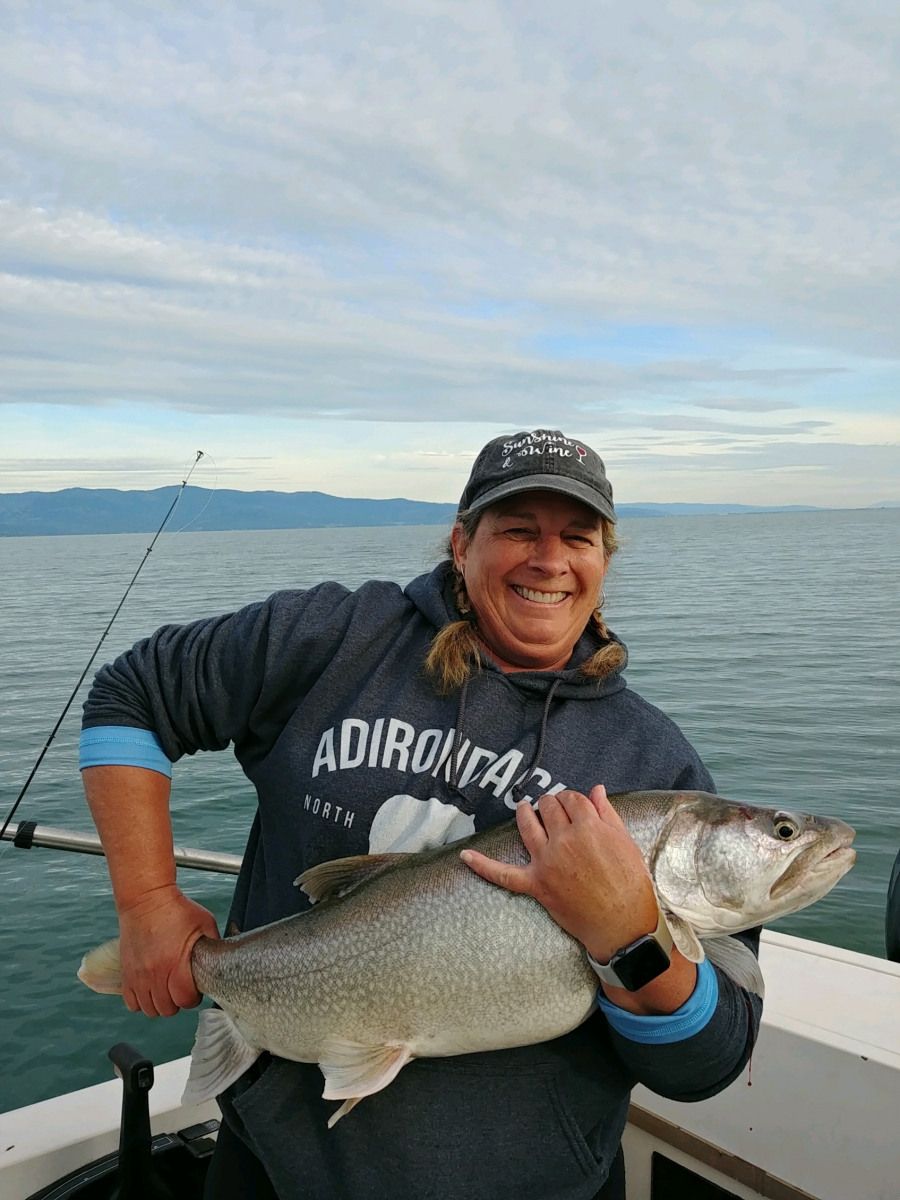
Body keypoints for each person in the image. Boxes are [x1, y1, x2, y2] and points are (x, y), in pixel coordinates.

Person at [80, 427, 762, 1200]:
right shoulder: (336, 640)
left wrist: (632, 938)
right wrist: (147, 901)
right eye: (518, 530)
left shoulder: (653, 768)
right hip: (273, 1169)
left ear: (604, 559)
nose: (549, 559)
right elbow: (132, 694)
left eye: (578, 537)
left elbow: (706, 1065)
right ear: (461, 543)